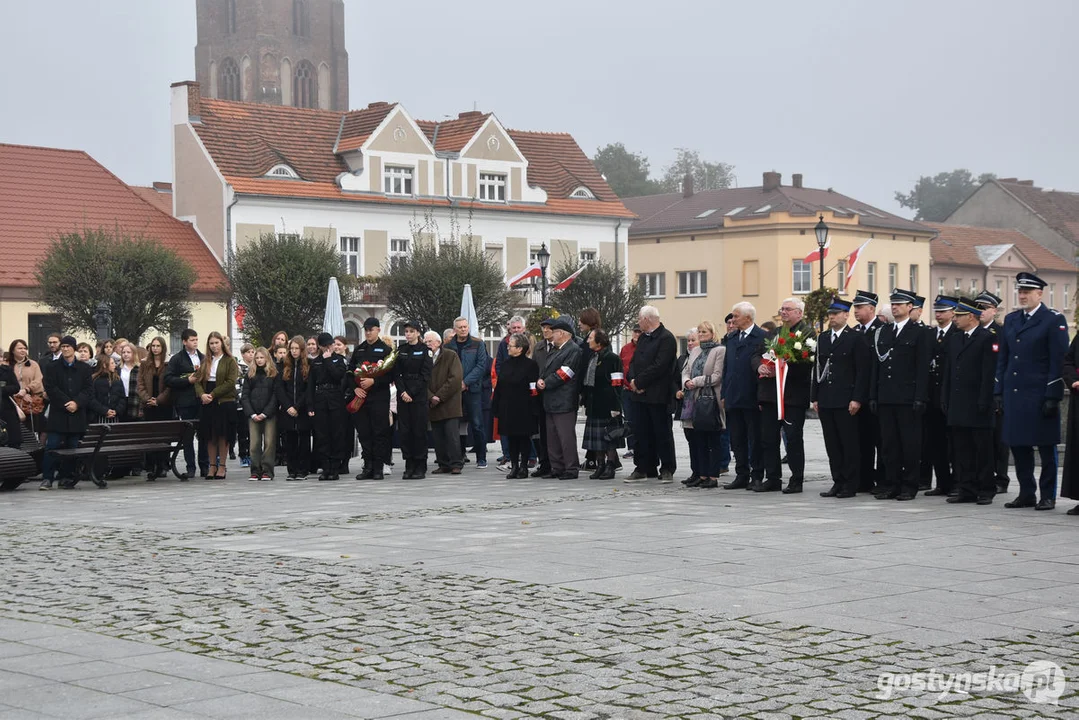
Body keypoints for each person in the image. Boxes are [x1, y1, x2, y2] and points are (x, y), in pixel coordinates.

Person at [996, 272, 1070, 511]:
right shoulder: (1011, 319)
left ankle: (1047, 495)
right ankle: (1026, 492)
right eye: (1020, 291)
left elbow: (1058, 361)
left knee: (1046, 446)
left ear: (1040, 294)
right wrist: (999, 389)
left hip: (1039, 394)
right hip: (1015, 393)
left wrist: (1052, 394)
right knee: (1018, 446)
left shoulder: (1052, 320)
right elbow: (1004, 359)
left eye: (1028, 292)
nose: (1023, 295)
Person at [870, 289, 930, 501]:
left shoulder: (919, 332)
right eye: (893, 304)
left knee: (910, 444)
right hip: (886, 397)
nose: (895, 307)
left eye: (900, 304)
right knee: (889, 445)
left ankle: (909, 485)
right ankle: (892, 484)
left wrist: (920, 397)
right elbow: (878, 366)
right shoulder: (885, 331)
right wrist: (874, 396)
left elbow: (922, 368)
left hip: (908, 398)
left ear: (909, 307)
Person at [941, 298, 998, 505]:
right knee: (962, 449)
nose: (955, 319)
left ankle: (986, 488)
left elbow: (988, 373)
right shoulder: (955, 339)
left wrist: (985, 401)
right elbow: (949, 371)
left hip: (977, 403)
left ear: (971, 317)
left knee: (982, 449)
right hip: (958, 402)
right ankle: (966, 487)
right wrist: (945, 397)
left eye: (959, 315)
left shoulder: (986, 338)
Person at [812, 298, 870, 498]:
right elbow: (817, 369)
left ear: (846, 315)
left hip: (846, 399)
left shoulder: (855, 338)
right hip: (827, 398)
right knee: (832, 444)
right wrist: (815, 396)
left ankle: (850, 483)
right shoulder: (823, 338)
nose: (832, 317)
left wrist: (857, 398)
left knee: (849, 443)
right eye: (830, 314)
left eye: (836, 314)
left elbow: (862, 371)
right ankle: (837, 481)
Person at [756, 298, 815, 494]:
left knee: (793, 439)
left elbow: (806, 364)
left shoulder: (807, 333)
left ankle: (796, 479)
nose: (783, 312)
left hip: (792, 397)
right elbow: (757, 354)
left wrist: (783, 369)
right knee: (768, 439)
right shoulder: (774, 334)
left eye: (788, 309)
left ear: (799, 312)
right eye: (781, 309)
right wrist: (761, 366)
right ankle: (772, 477)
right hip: (771, 396)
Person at [625, 306, 678, 483]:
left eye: (639, 319)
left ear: (647, 319)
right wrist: (632, 380)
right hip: (639, 395)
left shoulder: (666, 338)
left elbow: (660, 366)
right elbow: (633, 362)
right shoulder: (643, 339)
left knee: (661, 433)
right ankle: (644, 467)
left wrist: (639, 382)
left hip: (657, 395)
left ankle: (667, 468)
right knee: (641, 433)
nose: (638, 323)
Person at [721, 302, 766, 490]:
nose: (733, 320)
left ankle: (757, 475)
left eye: (736, 316)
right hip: (733, 395)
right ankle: (741, 474)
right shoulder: (731, 339)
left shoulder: (762, 337)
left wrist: (761, 397)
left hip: (751, 396)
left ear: (748, 317)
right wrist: (724, 394)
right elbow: (726, 369)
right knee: (737, 438)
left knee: (754, 438)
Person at [40, 336, 93, 489]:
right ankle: (47, 478)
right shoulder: (52, 367)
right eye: (63, 346)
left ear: (73, 348)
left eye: (68, 346)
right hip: (59, 413)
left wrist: (76, 402)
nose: (65, 349)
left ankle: (66, 476)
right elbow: (51, 388)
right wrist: (66, 403)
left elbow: (88, 390)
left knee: (73, 446)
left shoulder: (84, 368)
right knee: (52, 446)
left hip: (76, 414)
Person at [680, 322, 725, 489]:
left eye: (704, 331)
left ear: (713, 333)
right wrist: (686, 381)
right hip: (693, 399)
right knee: (698, 439)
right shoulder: (695, 350)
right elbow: (686, 370)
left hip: (710, 399)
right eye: (699, 331)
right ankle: (701, 474)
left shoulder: (719, 350)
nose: (701, 334)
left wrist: (696, 381)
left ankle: (713, 476)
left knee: (713, 439)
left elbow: (717, 376)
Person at [536, 317, 582, 479]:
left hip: (564, 400)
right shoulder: (555, 350)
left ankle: (571, 468)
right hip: (550, 400)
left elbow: (566, 373)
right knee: (552, 437)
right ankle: (557, 467)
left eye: (554, 332)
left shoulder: (573, 350)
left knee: (565, 436)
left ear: (562, 333)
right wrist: (541, 380)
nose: (551, 335)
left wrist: (545, 383)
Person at [922, 295, 958, 496]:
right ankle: (942, 482)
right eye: (937, 311)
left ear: (953, 312)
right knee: (935, 442)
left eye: (943, 311)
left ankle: (956, 482)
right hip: (932, 396)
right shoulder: (930, 334)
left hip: (950, 396)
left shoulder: (957, 333)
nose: (939, 314)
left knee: (953, 444)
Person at [349, 317, 393, 479]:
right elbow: (349, 372)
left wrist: (374, 380)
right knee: (364, 433)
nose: (368, 332)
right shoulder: (359, 349)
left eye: (371, 329)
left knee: (379, 432)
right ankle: (367, 466)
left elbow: (391, 375)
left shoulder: (385, 350)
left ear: (378, 330)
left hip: (379, 397)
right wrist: (355, 388)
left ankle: (378, 468)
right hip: (362, 398)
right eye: (366, 330)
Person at [975, 290, 1010, 494]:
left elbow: (1003, 365)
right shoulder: (973, 332)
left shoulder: (1001, 333)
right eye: (977, 307)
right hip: (978, 393)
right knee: (982, 439)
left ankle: (1001, 478)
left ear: (994, 311)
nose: (980, 312)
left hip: (997, 392)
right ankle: (983, 476)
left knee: (999, 439)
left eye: (985, 308)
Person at [493, 332, 540, 479]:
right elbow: (500, 385)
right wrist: (496, 405)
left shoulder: (531, 365)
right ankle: (514, 466)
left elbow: (533, 388)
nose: (508, 347)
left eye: (511, 345)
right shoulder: (506, 364)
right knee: (511, 438)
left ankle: (524, 467)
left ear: (520, 348)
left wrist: (534, 408)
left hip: (524, 407)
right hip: (507, 406)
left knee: (523, 438)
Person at [193, 331, 239, 480]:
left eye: (216, 343)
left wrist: (212, 394)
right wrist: (202, 395)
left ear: (222, 343)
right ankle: (212, 466)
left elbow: (230, 382)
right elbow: (198, 381)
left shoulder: (229, 361)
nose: (214, 346)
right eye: (211, 343)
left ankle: (222, 466)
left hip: (223, 401)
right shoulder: (205, 360)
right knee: (209, 435)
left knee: (222, 435)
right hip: (207, 402)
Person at [851, 290, 884, 493]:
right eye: (855, 308)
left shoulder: (882, 330)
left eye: (860, 307)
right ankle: (864, 479)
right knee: (861, 440)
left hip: (876, 394)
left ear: (871, 309)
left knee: (879, 440)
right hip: (857, 394)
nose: (856, 311)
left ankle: (881, 479)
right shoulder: (855, 332)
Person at [165, 329, 207, 480]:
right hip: (185, 401)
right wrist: (186, 381)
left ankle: (205, 466)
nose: (195, 342)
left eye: (196, 339)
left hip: (201, 401)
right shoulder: (177, 359)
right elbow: (168, 379)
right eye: (192, 340)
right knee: (188, 436)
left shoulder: (202, 357)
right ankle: (190, 467)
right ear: (184, 341)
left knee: (203, 434)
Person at [393, 320, 433, 479]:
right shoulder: (401, 350)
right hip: (403, 396)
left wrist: (411, 393)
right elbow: (397, 373)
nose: (408, 334)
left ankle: (420, 464)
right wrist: (403, 392)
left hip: (418, 396)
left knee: (419, 431)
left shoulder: (425, 351)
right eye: (406, 332)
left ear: (418, 333)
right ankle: (409, 463)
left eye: (411, 331)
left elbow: (426, 375)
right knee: (405, 432)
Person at [449, 316, 491, 468]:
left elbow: (481, 366)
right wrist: (455, 384)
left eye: (465, 327)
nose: (463, 329)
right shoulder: (449, 345)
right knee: (456, 424)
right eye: (459, 327)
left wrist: (465, 382)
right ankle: (458, 456)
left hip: (473, 390)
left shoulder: (477, 344)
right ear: (455, 329)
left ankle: (481, 458)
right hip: (454, 392)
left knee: (477, 424)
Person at [308, 332, 349, 481]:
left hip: (335, 398)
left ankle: (335, 467)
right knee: (322, 435)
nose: (329, 348)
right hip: (320, 399)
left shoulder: (339, 360)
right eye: (326, 346)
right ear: (320, 346)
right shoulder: (316, 362)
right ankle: (325, 467)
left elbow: (338, 376)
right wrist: (310, 406)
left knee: (336, 434)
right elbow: (311, 385)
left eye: (331, 345)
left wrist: (329, 361)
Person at [426, 330, 464, 474]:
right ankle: (443, 463)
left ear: (438, 342)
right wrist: (430, 396)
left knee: (452, 435)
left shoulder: (450, 355)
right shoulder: (425, 358)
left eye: (430, 341)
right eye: (426, 342)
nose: (428, 344)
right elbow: (421, 380)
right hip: (433, 403)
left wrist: (439, 396)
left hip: (449, 403)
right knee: (438, 436)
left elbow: (455, 378)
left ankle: (456, 463)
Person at [138, 336, 172, 480]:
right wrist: (147, 399)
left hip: (164, 406)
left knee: (164, 436)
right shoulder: (145, 364)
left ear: (163, 348)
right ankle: (151, 466)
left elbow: (170, 386)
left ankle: (163, 465)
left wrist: (158, 400)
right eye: (153, 346)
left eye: (158, 346)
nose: (155, 348)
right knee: (151, 437)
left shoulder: (168, 364)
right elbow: (140, 385)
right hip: (149, 406)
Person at [494, 315, 526, 470]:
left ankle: (528, 459)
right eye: (514, 328)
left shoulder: (530, 343)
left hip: (523, 395)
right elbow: (498, 365)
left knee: (523, 430)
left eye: (519, 327)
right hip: (506, 391)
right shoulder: (503, 345)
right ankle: (509, 457)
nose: (516, 330)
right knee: (506, 428)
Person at [277, 337, 311, 481]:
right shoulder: (285, 364)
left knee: (303, 439)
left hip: (302, 408)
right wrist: (288, 406)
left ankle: (303, 469)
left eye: (297, 348)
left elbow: (308, 388)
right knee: (289, 440)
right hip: (288, 408)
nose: (294, 351)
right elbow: (280, 388)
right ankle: (292, 469)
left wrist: (298, 406)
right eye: (292, 348)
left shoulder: (309, 364)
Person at [243, 347, 278, 480]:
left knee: (269, 442)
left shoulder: (273, 374)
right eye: (257, 358)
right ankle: (255, 469)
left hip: (269, 414)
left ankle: (267, 470)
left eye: (261, 357)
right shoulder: (250, 374)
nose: (259, 360)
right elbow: (245, 395)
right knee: (254, 443)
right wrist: (251, 413)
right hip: (253, 413)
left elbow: (275, 396)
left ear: (267, 358)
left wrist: (265, 413)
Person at [530, 319, 556, 477]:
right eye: (543, 328)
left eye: (549, 328)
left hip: (554, 392)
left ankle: (555, 463)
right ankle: (544, 462)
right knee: (541, 431)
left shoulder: (560, 347)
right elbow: (534, 368)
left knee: (553, 431)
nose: (545, 331)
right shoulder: (539, 347)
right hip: (539, 394)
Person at [8, 339, 45, 440]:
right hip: (12, 402)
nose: (23, 350)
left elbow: (38, 380)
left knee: (32, 430)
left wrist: (26, 390)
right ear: (13, 350)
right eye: (20, 348)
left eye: (25, 348)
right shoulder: (6, 365)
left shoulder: (33, 364)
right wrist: (18, 392)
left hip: (31, 402)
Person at [619, 324, 641, 461]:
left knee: (640, 419)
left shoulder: (645, 348)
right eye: (635, 332)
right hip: (626, 390)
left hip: (640, 390)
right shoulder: (625, 349)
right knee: (628, 420)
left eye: (639, 332)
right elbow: (621, 368)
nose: (636, 334)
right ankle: (631, 447)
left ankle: (641, 446)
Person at [89, 354, 125, 424]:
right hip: (98, 417)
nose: (114, 365)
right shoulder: (95, 380)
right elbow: (91, 399)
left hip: (115, 417)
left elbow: (122, 398)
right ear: (104, 365)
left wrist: (116, 411)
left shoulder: (117, 379)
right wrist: (105, 411)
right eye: (112, 363)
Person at [234, 343, 254, 467]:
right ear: (243, 354)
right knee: (243, 431)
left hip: (254, 405)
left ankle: (253, 454)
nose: (251, 354)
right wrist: (244, 400)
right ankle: (243, 455)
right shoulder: (238, 368)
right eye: (248, 352)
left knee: (253, 432)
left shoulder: (256, 367)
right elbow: (237, 386)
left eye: (252, 352)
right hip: (242, 405)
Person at [0, 359, 21, 448]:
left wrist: (2, 390)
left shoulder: (7, 370)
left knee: (13, 441)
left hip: (7, 409)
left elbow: (16, 387)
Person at [118, 343, 141, 423]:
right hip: (121, 400)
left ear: (134, 354)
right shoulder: (118, 369)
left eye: (128, 352)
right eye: (123, 352)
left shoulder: (139, 369)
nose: (125, 354)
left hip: (135, 400)